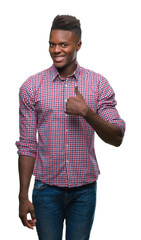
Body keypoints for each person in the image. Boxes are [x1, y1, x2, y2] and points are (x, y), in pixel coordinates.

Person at [16, 15, 125, 240]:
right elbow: (27, 146)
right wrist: (23, 196)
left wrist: (86, 112)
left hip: (84, 191)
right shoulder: (32, 87)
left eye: (63, 44)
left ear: (78, 45)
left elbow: (117, 137)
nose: (56, 50)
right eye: (52, 44)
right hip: (46, 191)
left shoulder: (97, 84)